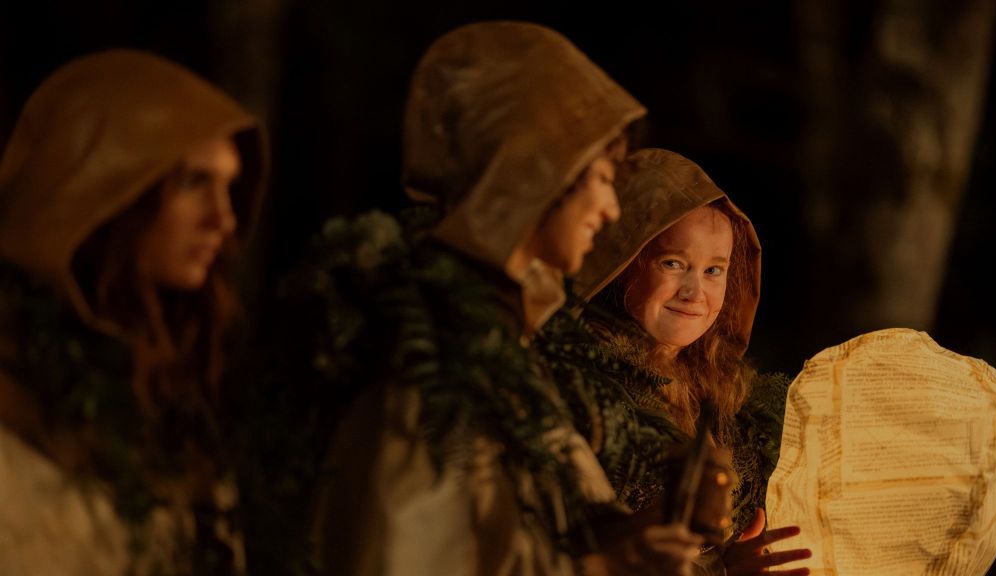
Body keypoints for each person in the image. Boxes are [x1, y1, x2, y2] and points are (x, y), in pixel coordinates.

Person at [305, 21, 703, 576]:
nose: (611, 209)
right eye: (601, 176)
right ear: (538, 170)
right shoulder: (432, 348)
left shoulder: (507, 340)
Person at [0, 49, 265, 574]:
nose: (224, 219)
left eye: (230, 186)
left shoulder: (182, 394)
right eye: (193, 183)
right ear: (101, 191)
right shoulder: (15, 391)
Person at [573, 148, 810, 576]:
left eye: (713, 270)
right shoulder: (585, 387)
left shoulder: (728, 401)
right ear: (623, 263)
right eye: (673, 263)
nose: (694, 291)